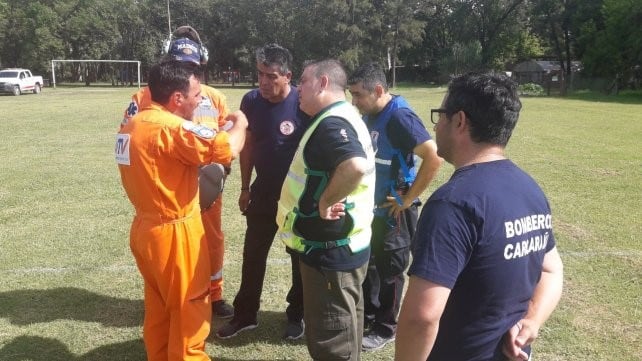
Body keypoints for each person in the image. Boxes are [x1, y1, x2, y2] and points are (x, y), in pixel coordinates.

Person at [394, 72, 564, 361]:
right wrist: (531, 322)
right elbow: (552, 270)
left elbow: (422, 317)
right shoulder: (529, 188)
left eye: (440, 115)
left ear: (459, 121)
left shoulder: (452, 204)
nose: (436, 127)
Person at [115, 60, 247, 361]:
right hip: (175, 231)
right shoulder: (172, 128)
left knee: (160, 310)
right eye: (196, 93)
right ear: (177, 98)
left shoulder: (132, 124)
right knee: (190, 309)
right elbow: (228, 148)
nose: (200, 99)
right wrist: (241, 122)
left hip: (145, 228)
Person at [275, 59, 376, 361]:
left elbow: (354, 165)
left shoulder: (332, 123)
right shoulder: (343, 115)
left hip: (331, 254)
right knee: (347, 331)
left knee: (333, 343)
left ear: (321, 83)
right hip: (344, 247)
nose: (297, 89)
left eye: (303, 81)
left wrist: (325, 202)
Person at [216, 43, 309, 340]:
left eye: (271, 76)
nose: (264, 82)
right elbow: (249, 146)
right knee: (252, 255)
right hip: (262, 193)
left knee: (298, 258)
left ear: (287, 76)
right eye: (260, 75)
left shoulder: (303, 103)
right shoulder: (251, 100)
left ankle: (297, 315)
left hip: (296, 199)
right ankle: (245, 316)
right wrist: (245, 187)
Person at [347, 62, 442, 351]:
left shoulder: (399, 117)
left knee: (391, 268)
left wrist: (408, 198)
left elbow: (433, 157)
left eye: (359, 95)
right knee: (372, 264)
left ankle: (387, 327)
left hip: (395, 210)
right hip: (373, 207)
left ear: (378, 90)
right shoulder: (371, 113)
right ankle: (372, 316)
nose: (355, 101)